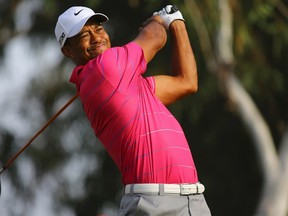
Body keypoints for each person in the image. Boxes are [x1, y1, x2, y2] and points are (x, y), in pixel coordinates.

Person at [55, 5, 211, 216]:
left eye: (98, 29)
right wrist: (159, 19)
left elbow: (187, 82)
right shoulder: (104, 68)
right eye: (83, 34)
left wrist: (177, 22)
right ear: (67, 51)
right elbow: (155, 37)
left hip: (194, 199)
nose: (96, 37)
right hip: (154, 203)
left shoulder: (128, 85)